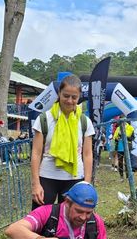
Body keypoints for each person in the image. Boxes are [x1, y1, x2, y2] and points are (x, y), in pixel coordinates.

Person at [30, 74, 94, 209]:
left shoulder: (84, 122)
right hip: (46, 177)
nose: (69, 101)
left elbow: (87, 154)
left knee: (70, 220)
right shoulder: (44, 119)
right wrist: (36, 184)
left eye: (74, 97)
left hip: (75, 179)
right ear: (59, 93)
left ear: (79, 97)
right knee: (40, 219)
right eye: (66, 96)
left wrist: (87, 184)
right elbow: (36, 153)